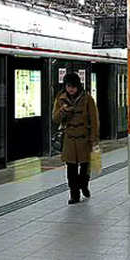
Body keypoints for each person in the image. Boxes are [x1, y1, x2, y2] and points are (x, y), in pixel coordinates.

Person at [52, 72, 99, 204]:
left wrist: (94, 138)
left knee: (85, 167)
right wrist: (63, 111)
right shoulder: (60, 99)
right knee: (71, 169)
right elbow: (54, 118)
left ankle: (84, 185)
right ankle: (74, 194)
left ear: (78, 86)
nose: (71, 89)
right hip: (69, 139)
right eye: (68, 86)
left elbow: (94, 120)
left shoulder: (87, 99)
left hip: (84, 138)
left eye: (73, 86)